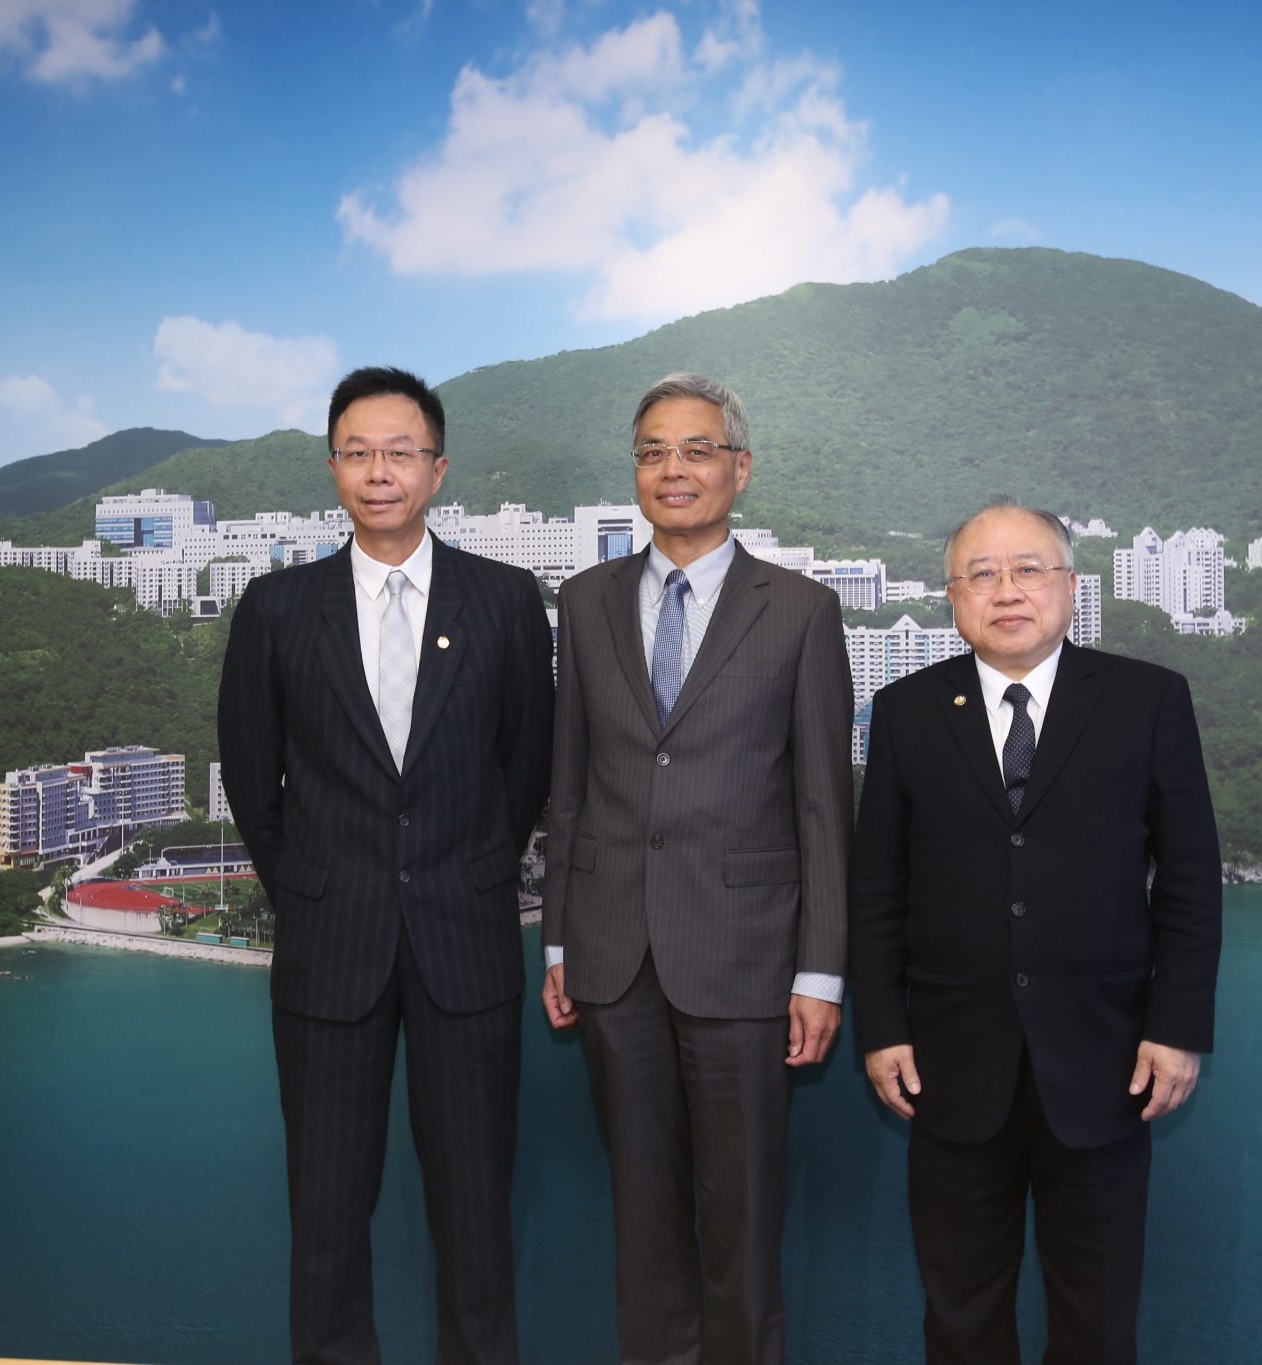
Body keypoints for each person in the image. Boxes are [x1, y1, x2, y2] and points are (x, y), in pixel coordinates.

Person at [216, 366, 554, 1365]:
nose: (378, 472)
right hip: (331, 950)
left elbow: (524, 769)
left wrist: (466, 872)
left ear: (437, 470)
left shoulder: (502, 600)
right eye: (357, 452)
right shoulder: (277, 609)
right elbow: (250, 778)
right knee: (324, 1224)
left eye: (399, 452)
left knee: (476, 1224)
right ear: (332, 470)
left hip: (466, 945)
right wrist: (317, 892)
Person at [848, 500, 1223, 1365]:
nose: (1005, 590)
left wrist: (1176, 1027)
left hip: (1106, 1063)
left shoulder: (1149, 699)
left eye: (1028, 570)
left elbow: (1192, 879)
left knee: (1095, 1323)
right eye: (981, 573)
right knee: (962, 1318)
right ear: (952, 596)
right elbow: (877, 885)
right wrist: (884, 1028)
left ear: (1070, 587)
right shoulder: (905, 709)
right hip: (949, 1068)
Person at [539, 373, 853, 1365]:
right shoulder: (584, 602)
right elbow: (569, 783)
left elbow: (820, 804)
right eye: (651, 452)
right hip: (611, 960)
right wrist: (555, 938)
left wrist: (818, 970)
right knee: (641, 1212)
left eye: (695, 449)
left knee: (743, 1220)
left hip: (747, 962)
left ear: (737, 468)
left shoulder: (800, 611)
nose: (672, 470)